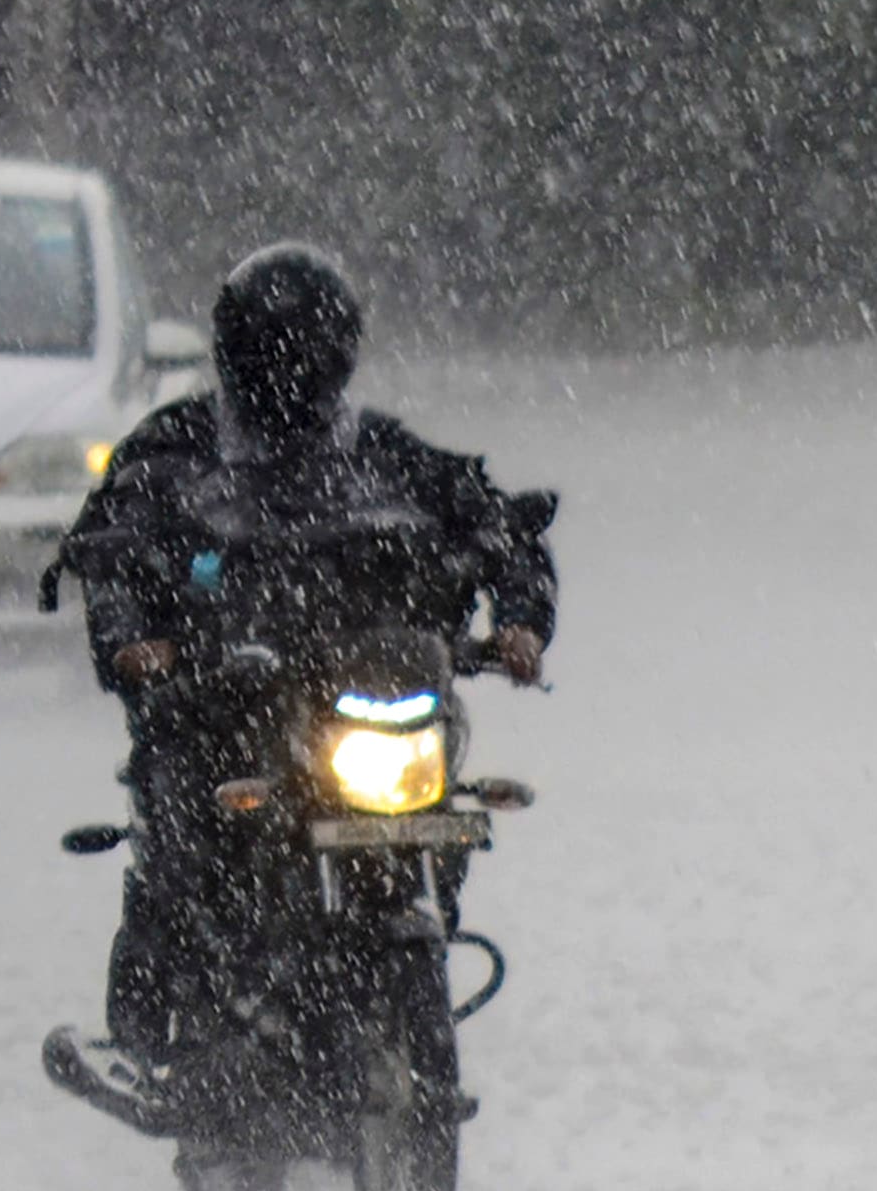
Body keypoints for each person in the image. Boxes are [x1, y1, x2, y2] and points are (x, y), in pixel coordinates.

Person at [58, 245, 553, 1081]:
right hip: (224, 704)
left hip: (357, 702)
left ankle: (393, 977)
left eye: (312, 348)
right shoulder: (176, 449)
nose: (293, 368)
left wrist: (519, 623)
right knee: (184, 811)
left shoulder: (385, 453)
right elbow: (111, 547)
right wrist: (137, 641)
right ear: (238, 351)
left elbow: (495, 524)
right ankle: (164, 1036)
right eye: (276, 348)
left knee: (438, 785)